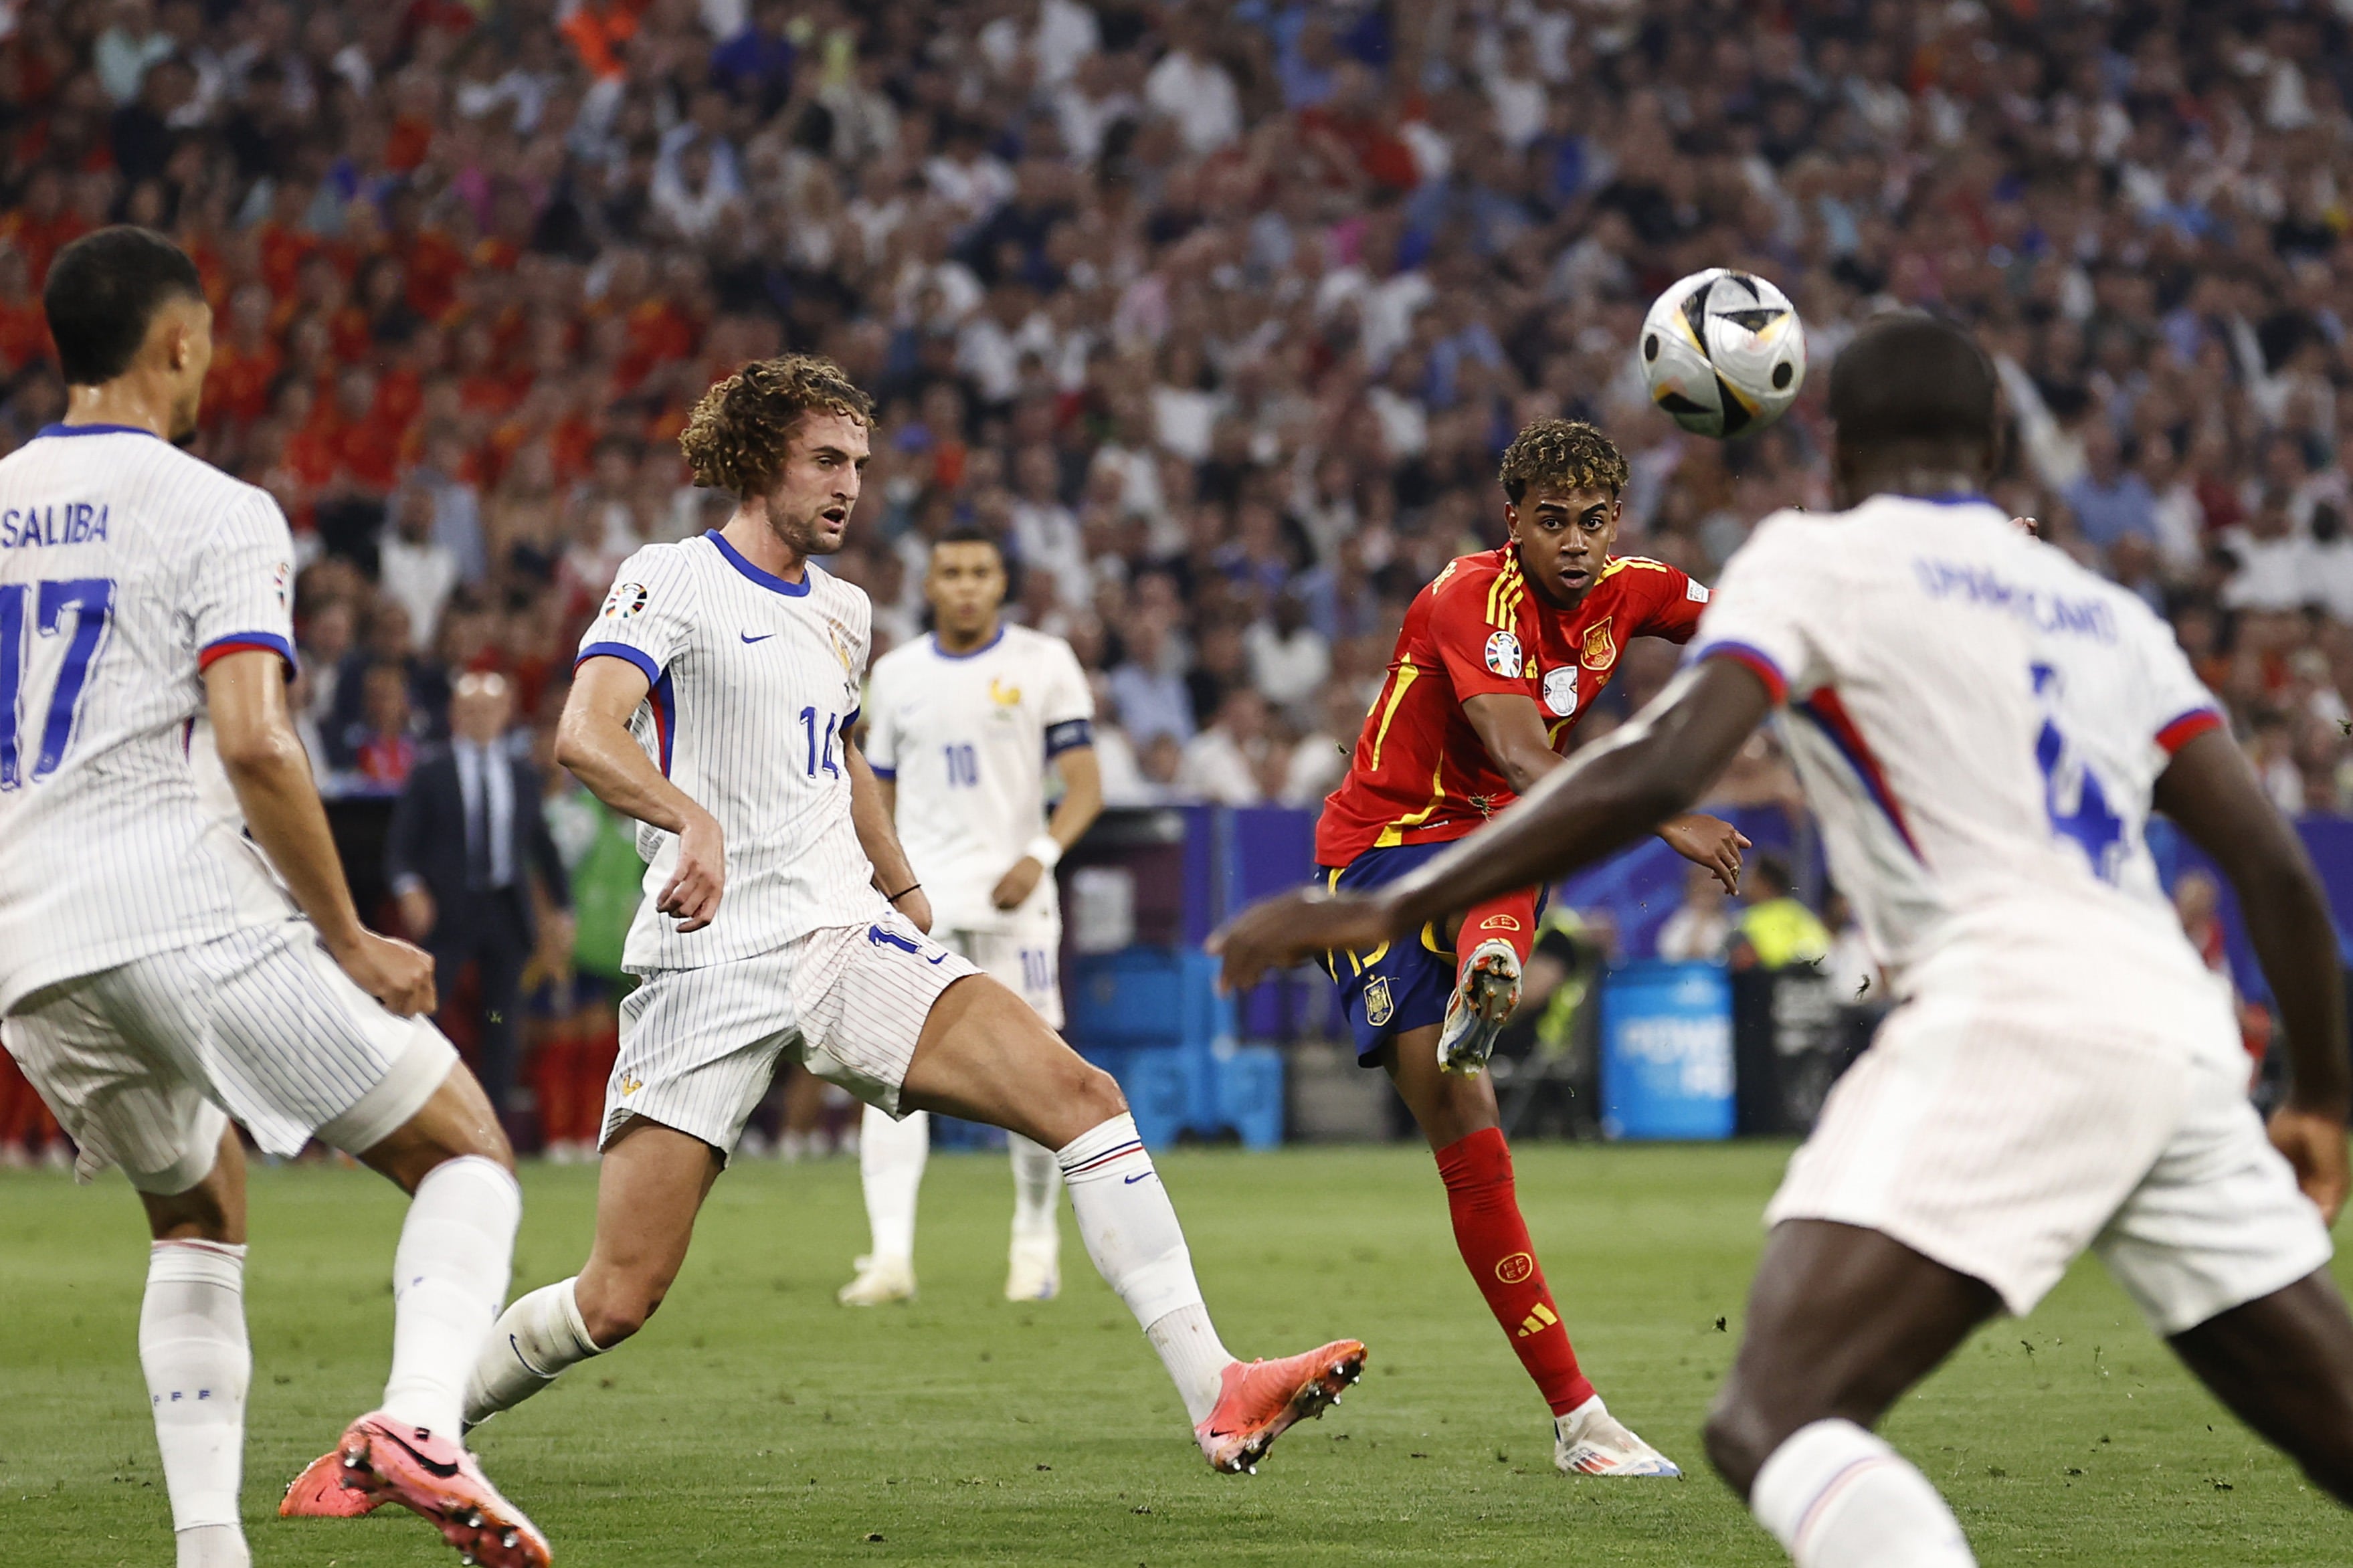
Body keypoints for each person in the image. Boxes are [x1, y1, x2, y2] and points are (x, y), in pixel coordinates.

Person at [1215, 313, 2353, 1567]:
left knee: (1773, 1416)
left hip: (2010, 1017)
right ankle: (1490, 982)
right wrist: (2324, 1095)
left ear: (1837, 444)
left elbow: (1644, 759)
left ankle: (1489, 988)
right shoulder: (2102, 616)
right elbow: (2275, 867)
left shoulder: (1815, 561)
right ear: (1988, 444)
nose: (1585, 541)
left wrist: (1402, 906)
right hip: (2175, 1032)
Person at [434, 354, 1363, 1478]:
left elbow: (846, 756)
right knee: (618, 1292)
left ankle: (1219, 1385)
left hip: (837, 933)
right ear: (758, 456)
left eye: (859, 465)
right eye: (825, 459)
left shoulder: (843, 610)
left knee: (1081, 1095)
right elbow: (586, 731)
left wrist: (905, 887)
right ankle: (419, 1422)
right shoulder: (671, 576)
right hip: (707, 956)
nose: (848, 485)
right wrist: (692, 821)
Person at [1, 228, 547, 1568]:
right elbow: (255, 739)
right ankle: (423, 1417)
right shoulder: (217, 508)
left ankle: (209, 1548)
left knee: (198, 1207)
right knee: (466, 1146)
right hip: (176, 900)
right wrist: (350, 934)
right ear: (180, 342)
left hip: (30, 938)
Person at [1305, 417, 1748, 1478]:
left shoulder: (1634, 589)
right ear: (1514, 524)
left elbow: (1767, 632)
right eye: (1551, 523)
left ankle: (1578, 1423)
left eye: (1594, 522)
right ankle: (1485, 967)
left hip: (1492, 843)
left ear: (1616, 524)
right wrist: (1661, 814)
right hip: (1374, 860)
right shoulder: (1470, 595)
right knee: (1523, 819)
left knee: (1474, 1132)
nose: (1575, 543)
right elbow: (1510, 741)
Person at [842, 526, 1105, 1305]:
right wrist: (881, 882)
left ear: (1001, 583)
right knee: (887, 1074)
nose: (964, 584)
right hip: (916, 905)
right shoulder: (894, 674)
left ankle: (1033, 1242)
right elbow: (875, 792)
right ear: (928, 583)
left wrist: (1041, 854)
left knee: (1033, 1077)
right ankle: (889, 1257)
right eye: (949, 570)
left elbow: (1084, 785)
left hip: (1013, 901)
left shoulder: (1043, 663)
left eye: (979, 572)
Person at [386, 670, 575, 1132]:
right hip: (450, 910)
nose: (480, 718)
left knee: (500, 1018)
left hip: (504, 911)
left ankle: (490, 1124)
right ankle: (416, 1114)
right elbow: (400, 845)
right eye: (470, 709)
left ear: (506, 713)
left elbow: (541, 846)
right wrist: (410, 888)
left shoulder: (521, 773)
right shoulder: (433, 771)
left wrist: (563, 908)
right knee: (431, 1009)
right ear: (454, 714)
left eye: (490, 709)